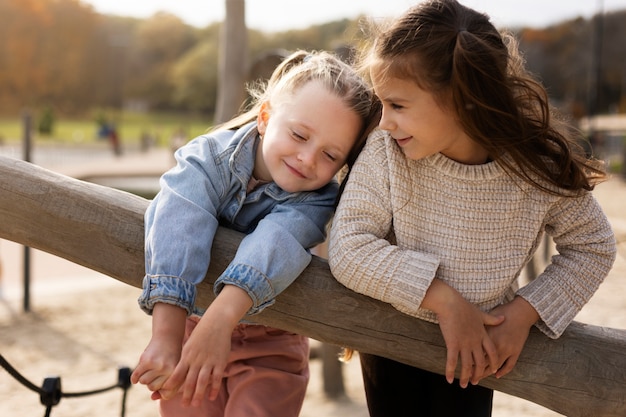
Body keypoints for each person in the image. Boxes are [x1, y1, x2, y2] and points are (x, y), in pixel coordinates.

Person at [327, 1, 617, 416]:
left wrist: (522, 314)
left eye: (399, 105)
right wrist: (444, 300)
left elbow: (593, 246)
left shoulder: (534, 167)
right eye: (382, 103)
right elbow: (349, 248)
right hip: (389, 339)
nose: (384, 120)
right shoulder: (385, 151)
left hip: (478, 353)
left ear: (462, 100)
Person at [130, 49, 379, 417]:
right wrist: (166, 336)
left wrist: (221, 320)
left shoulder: (317, 199)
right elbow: (180, 216)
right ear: (265, 117)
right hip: (188, 325)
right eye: (299, 134)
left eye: (330, 156)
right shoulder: (209, 158)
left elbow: (277, 241)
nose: (308, 159)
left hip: (272, 341)